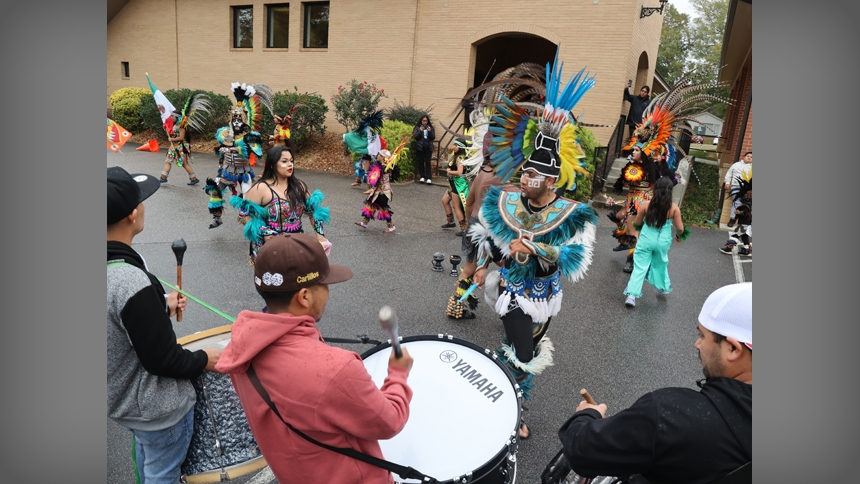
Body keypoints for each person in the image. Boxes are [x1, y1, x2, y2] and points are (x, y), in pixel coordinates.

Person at [214, 233, 414, 484]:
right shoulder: (336, 368)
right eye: (325, 285)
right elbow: (390, 421)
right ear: (305, 296)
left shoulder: (241, 349)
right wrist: (398, 373)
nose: (328, 292)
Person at [470, 52, 598, 439]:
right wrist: (485, 261)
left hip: (545, 295)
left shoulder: (574, 213)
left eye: (537, 173)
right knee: (523, 353)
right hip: (512, 291)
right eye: (526, 170)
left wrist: (538, 250)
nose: (527, 177)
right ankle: (513, 411)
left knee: (524, 345)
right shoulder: (504, 202)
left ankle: (502, 396)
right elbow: (488, 237)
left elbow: (576, 259)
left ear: (554, 180)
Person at [558, 282, 752, 484]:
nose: (697, 344)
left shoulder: (671, 415)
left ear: (733, 349)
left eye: (703, 336)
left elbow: (582, 451)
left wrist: (587, 414)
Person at [107, 166, 222, 484]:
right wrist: (205, 358)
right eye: (141, 202)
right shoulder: (130, 280)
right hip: (156, 410)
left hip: (124, 402)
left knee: (150, 463)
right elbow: (164, 359)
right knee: (163, 472)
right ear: (132, 214)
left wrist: (158, 308)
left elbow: (116, 324)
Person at [230, 145, 331, 264]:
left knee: (298, 280)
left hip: (295, 245)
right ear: (272, 165)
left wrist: (320, 236)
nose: (290, 164)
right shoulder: (261, 188)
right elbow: (244, 216)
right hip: (268, 248)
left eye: (291, 161)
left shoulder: (299, 187)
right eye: (284, 161)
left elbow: (314, 212)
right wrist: (264, 232)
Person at [445, 127, 499, 320]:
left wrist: (468, 224)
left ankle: (456, 306)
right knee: (505, 266)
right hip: (485, 229)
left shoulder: (483, 172)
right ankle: (457, 307)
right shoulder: (499, 176)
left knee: (469, 268)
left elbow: (469, 203)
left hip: (473, 225)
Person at [623, 176, 689, 308]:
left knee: (640, 266)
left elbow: (637, 222)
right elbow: (680, 228)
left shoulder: (646, 204)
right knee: (661, 263)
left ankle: (632, 296)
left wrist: (640, 227)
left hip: (647, 238)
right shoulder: (674, 208)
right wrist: (678, 236)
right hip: (663, 240)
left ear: (655, 189)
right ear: (670, 191)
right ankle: (662, 288)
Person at [212, 82, 274, 200]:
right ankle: (216, 216)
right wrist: (223, 148)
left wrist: (234, 149)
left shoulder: (250, 136)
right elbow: (223, 147)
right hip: (227, 170)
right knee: (215, 192)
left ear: (244, 120)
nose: (236, 122)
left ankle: (244, 215)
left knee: (247, 195)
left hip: (243, 170)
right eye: (234, 119)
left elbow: (257, 152)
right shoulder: (225, 133)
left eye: (239, 119)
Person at [607, 145, 659, 273]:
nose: (633, 152)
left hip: (639, 201)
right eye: (633, 149)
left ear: (644, 153)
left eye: (637, 150)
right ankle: (624, 241)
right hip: (631, 199)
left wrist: (648, 200)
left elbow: (653, 185)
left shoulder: (650, 168)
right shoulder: (632, 166)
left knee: (633, 232)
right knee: (618, 216)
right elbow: (625, 182)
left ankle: (633, 262)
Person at [158, 93, 212, 185]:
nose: (171, 117)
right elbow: (172, 133)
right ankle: (163, 177)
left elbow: (181, 138)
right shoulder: (174, 125)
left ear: (177, 117)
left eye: (172, 116)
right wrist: (167, 129)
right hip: (173, 147)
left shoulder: (182, 126)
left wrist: (172, 140)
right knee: (168, 161)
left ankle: (193, 178)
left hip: (181, 147)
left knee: (184, 163)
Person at [355, 149, 398, 233]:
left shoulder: (385, 167)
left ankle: (391, 227)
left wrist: (372, 188)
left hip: (383, 191)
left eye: (379, 155)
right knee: (371, 205)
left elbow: (377, 180)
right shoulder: (382, 166)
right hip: (378, 190)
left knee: (383, 208)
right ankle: (364, 223)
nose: (377, 156)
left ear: (383, 157)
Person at [720, 167, 752, 257]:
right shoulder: (746, 203)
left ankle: (729, 248)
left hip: (745, 223)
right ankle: (746, 250)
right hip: (745, 222)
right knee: (744, 235)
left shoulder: (750, 204)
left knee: (735, 234)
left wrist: (739, 213)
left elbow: (748, 214)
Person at [440, 144, 469, 235]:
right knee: (445, 200)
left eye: (456, 145)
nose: (454, 147)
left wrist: (449, 172)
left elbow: (460, 172)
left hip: (458, 184)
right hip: (453, 183)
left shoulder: (460, 158)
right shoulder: (455, 156)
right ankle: (451, 222)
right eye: (454, 145)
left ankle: (464, 228)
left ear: (461, 147)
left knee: (457, 207)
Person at [723, 152, 752, 228]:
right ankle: (733, 219)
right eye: (748, 156)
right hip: (736, 186)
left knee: (748, 204)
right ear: (744, 157)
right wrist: (727, 183)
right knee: (737, 202)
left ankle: (747, 220)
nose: (749, 158)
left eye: (751, 157)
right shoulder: (736, 165)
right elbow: (729, 174)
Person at [622, 81, 651, 145]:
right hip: (632, 123)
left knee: (639, 141)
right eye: (642, 91)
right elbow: (627, 96)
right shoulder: (634, 98)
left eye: (645, 92)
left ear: (647, 93)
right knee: (632, 139)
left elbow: (650, 114)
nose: (643, 92)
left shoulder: (649, 102)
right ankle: (631, 153)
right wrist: (627, 88)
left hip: (641, 126)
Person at [412, 115, 436, 184]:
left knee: (428, 162)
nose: (425, 122)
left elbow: (433, 137)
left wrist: (430, 131)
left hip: (428, 147)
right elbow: (415, 136)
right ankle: (422, 176)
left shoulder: (430, 127)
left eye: (426, 121)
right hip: (420, 147)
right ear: (421, 121)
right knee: (421, 162)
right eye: (423, 120)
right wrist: (420, 131)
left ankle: (429, 177)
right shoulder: (417, 127)